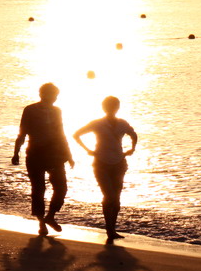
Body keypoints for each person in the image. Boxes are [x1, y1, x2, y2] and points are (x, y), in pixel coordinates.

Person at [11, 83, 74, 236]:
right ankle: (41, 223)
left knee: (61, 188)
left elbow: (61, 133)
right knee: (38, 189)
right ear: (43, 94)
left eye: (56, 95)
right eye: (53, 95)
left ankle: (50, 216)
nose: (55, 98)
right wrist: (16, 153)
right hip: (35, 155)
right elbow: (22, 132)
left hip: (55, 156)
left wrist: (69, 155)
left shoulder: (57, 111)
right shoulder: (30, 110)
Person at [73, 96, 137, 243]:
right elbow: (77, 134)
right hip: (101, 163)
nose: (112, 108)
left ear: (118, 107)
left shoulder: (122, 123)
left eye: (115, 106)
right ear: (104, 108)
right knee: (109, 196)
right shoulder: (97, 123)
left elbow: (133, 134)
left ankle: (112, 229)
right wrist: (88, 150)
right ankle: (109, 229)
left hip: (119, 163)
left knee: (116, 198)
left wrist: (132, 148)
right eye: (109, 106)